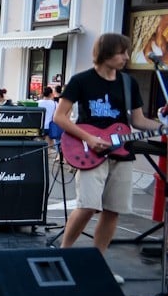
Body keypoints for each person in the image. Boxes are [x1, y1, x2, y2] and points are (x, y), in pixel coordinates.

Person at [54, 33, 167, 277]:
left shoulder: (128, 83)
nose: (127, 57)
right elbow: (60, 117)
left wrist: (161, 128)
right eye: (121, 52)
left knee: (113, 209)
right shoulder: (81, 81)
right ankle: (63, 255)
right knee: (87, 206)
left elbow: (137, 120)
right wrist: (89, 139)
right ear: (105, 54)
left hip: (121, 153)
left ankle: (98, 265)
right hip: (89, 152)